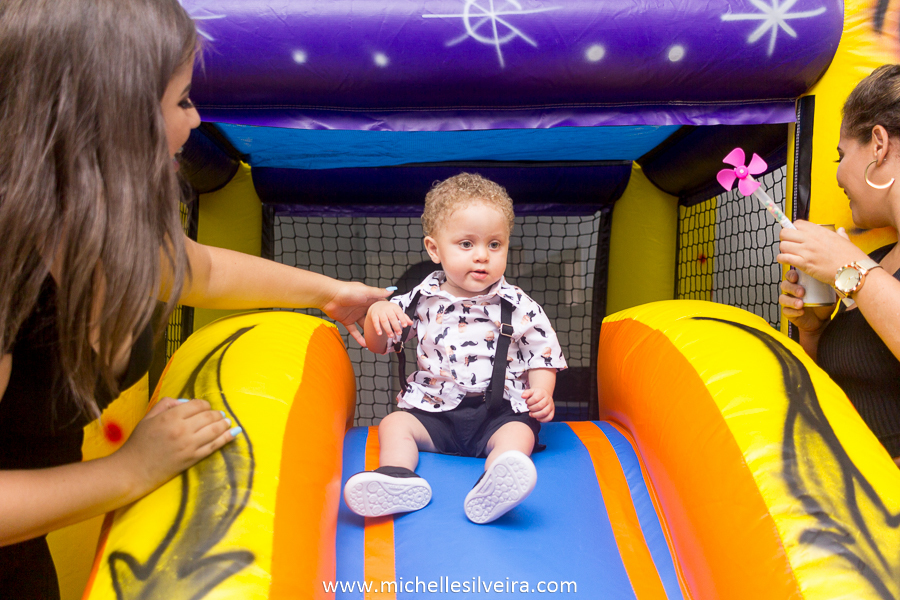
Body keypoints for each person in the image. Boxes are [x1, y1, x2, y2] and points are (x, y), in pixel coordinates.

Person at [0, 1, 390, 596]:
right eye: (181, 101)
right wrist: (130, 471)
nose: (196, 118)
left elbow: (196, 269)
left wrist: (329, 293)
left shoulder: (97, 217)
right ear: (113, 115)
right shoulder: (11, 262)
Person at [343, 173, 567, 524]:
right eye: (466, 244)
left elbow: (542, 353)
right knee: (395, 423)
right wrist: (375, 314)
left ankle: (496, 480)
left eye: (495, 244)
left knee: (520, 433)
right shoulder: (418, 301)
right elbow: (379, 344)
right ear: (434, 249)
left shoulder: (519, 305)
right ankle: (397, 476)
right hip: (434, 414)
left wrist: (542, 391)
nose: (482, 256)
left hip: (497, 414)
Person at [778, 64, 900, 466]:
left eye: (841, 154)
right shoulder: (879, 263)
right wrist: (813, 332)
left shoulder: (864, 270)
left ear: (878, 145)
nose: (837, 174)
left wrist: (850, 267)